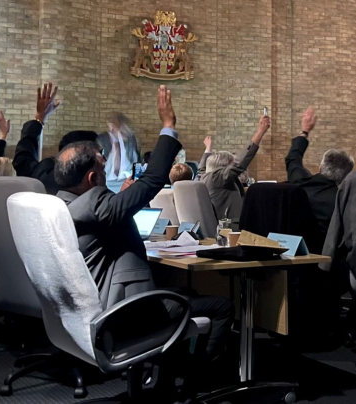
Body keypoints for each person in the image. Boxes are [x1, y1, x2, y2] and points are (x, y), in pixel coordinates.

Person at [54, 85, 231, 358]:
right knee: (222, 306)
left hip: (89, 308)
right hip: (125, 311)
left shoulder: (61, 205)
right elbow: (152, 180)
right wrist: (168, 126)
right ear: (92, 179)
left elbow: (104, 220)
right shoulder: (96, 207)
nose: (105, 172)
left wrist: (121, 198)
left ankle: (165, 374)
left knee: (184, 290)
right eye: (102, 169)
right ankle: (200, 378)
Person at [13, 82, 99, 195]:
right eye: (100, 155)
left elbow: (22, 159)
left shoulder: (42, 175)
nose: (104, 161)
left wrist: (39, 117)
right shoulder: (95, 195)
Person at [285, 107, 354, 234]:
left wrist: (305, 131)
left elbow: (293, 158)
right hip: (325, 252)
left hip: (290, 249)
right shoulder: (343, 202)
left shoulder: (299, 183)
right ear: (345, 176)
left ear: (320, 168)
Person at [198, 116, 270, 223]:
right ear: (224, 166)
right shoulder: (218, 178)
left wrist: (208, 149)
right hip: (231, 227)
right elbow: (239, 164)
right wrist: (260, 133)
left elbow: (201, 168)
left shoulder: (203, 177)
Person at [98, 112, 141, 193]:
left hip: (125, 180)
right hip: (108, 181)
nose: (112, 128)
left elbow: (136, 159)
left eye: (115, 124)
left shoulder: (130, 139)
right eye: (111, 124)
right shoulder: (103, 138)